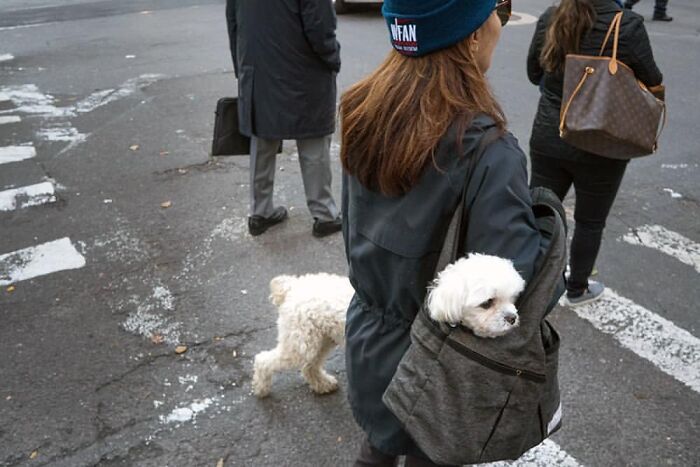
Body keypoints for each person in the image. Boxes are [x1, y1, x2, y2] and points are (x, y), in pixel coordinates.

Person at [340, 0, 544, 464]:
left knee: (379, 444)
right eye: (500, 8)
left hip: (371, 340)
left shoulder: (364, 109)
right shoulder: (488, 152)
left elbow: (352, 227)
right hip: (438, 364)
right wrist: (548, 232)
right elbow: (508, 286)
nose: (501, 21)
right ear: (471, 34)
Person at [527, 0, 663, 305]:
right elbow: (652, 79)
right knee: (590, 222)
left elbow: (534, 73)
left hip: (551, 133)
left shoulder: (552, 16)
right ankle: (576, 288)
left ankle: (532, 283)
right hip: (602, 142)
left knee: (540, 212)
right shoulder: (625, 24)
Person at [225, 0, 343, 237]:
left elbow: (233, 23)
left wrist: (243, 68)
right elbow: (320, 27)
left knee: (262, 139)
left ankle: (260, 212)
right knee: (313, 140)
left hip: (257, 69)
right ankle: (324, 214)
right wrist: (333, 58)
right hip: (304, 69)